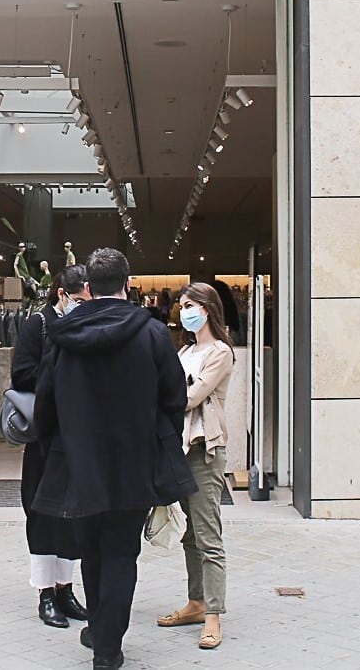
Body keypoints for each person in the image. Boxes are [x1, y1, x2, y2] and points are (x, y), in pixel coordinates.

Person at [33, 248, 195, 669]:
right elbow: (174, 398)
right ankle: (107, 645)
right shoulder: (154, 334)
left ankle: (100, 633)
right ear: (128, 282)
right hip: (134, 461)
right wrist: (162, 444)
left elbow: (45, 401)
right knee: (122, 553)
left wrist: (55, 446)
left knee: (91, 551)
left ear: (87, 287)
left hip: (78, 462)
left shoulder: (63, 334)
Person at [11, 266, 91, 629]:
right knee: (42, 512)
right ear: (63, 295)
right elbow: (21, 374)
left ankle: (65, 588)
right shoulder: (39, 325)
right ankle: (45, 593)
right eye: (79, 300)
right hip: (45, 435)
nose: (83, 307)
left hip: (78, 433)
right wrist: (59, 358)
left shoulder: (85, 324)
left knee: (75, 513)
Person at [157, 282, 234, 651]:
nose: (183, 310)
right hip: (179, 449)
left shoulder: (220, 352)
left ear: (207, 309)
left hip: (204, 451)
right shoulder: (185, 350)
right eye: (181, 305)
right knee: (189, 535)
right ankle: (196, 602)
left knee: (208, 536)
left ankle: (214, 615)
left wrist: (165, 394)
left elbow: (190, 396)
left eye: (189, 304)